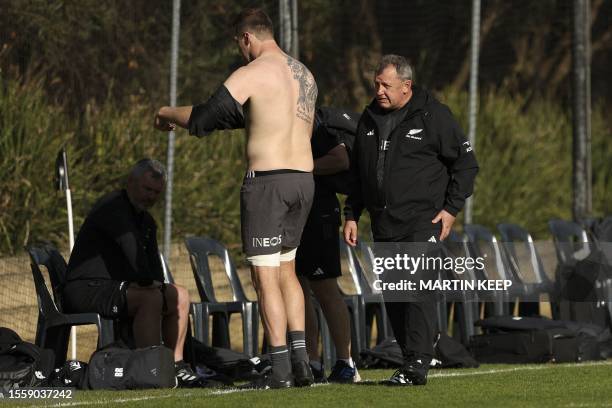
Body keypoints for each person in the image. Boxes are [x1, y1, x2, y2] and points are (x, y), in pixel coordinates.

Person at [153, 8, 317, 389]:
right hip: (303, 181)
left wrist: (165, 113)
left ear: (246, 38)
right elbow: (251, 117)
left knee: (265, 278)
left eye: (239, 45)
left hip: (269, 183)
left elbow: (206, 118)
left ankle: (278, 370)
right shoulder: (303, 73)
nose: (240, 52)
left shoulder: (253, 72)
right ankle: (301, 362)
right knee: (288, 272)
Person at [343, 55, 479, 386]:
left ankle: (417, 364)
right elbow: (361, 174)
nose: (379, 91)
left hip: (423, 219)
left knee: (418, 288)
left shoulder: (434, 115)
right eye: (376, 84)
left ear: (406, 86)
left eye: (385, 85)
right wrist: (351, 214)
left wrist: (450, 209)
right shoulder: (370, 117)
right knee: (395, 293)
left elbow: (466, 164)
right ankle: (410, 357)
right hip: (384, 223)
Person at [63, 159, 199, 387]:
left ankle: (176, 366)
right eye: (147, 189)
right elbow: (134, 258)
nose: (151, 197)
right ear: (131, 182)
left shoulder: (146, 221)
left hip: (116, 288)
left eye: (156, 192)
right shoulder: (113, 208)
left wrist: (156, 284)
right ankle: (151, 369)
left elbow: (154, 270)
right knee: (149, 297)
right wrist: (149, 283)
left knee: (180, 295)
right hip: (85, 288)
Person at [296, 107, 360, 383]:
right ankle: (311, 361)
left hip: (319, 212)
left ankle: (347, 363)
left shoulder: (314, 122)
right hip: (294, 211)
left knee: (324, 287)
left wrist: (300, 167)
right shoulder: (279, 118)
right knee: (297, 286)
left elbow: (340, 159)